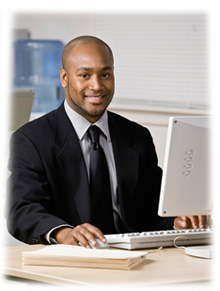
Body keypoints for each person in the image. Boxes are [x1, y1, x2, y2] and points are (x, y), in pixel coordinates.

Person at [4, 36, 213, 251]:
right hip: (69, 266)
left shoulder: (137, 136)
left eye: (105, 74)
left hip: (135, 263)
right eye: (85, 75)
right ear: (64, 78)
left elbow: (152, 211)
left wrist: (177, 221)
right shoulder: (31, 139)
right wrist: (64, 233)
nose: (97, 86)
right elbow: (21, 209)